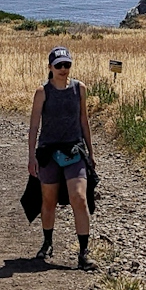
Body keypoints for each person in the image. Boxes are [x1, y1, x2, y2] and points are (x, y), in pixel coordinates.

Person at [27, 45, 95, 268]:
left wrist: (91, 153)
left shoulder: (79, 89)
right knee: (49, 200)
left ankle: (83, 252)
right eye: (59, 65)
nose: (63, 69)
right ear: (50, 67)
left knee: (79, 198)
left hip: (74, 149)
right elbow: (34, 126)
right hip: (48, 151)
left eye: (67, 65)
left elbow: (84, 121)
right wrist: (31, 157)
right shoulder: (42, 92)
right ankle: (47, 242)